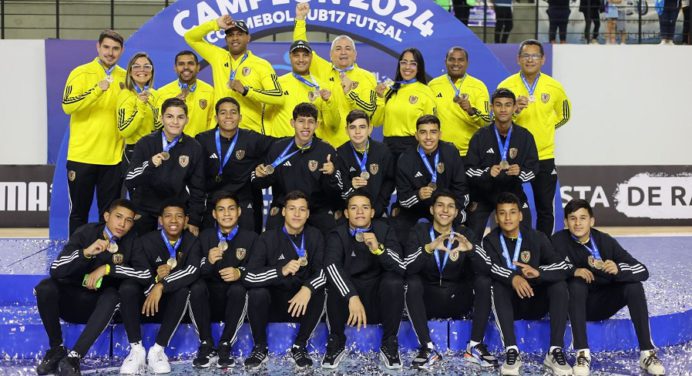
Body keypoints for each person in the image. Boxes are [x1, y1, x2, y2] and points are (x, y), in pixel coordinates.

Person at [551, 199, 666, 376]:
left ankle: (647, 353)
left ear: (592, 221)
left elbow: (642, 270)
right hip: (572, 305)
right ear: (566, 222)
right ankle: (582, 354)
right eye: (572, 218)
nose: (578, 223)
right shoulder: (557, 241)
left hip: (601, 304)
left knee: (634, 287)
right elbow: (545, 269)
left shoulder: (604, 241)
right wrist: (573, 270)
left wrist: (619, 269)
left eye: (583, 218)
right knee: (576, 284)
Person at [35, 199, 145, 376]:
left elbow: (145, 274)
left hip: (102, 308)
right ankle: (56, 349)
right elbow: (56, 269)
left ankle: (74, 357)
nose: (122, 224)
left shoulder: (133, 240)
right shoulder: (86, 232)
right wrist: (85, 253)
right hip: (72, 300)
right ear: (106, 216)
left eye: (129, 220)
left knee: (113, 295)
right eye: (118, 217)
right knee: (45, 287)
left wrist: (108, 269)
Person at [477, 192, 572, 376]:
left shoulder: (537, 237)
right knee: (496, 284)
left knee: (559, 285)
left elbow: (563, 266)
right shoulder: (490, 241)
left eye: (512, 212)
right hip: (509, 304)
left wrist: (539, 273)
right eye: (502, 213)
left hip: (536, 302)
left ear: (520, 215)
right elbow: (490, 268)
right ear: (496, 217)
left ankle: (555, 351)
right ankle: (511, 350)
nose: (507, 217)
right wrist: (514, 277)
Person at [404, 191, 496, 371]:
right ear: (431, 209)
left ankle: (475, 345)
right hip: (428, 300)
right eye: (440, 205)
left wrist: (470, 249)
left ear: (456, 213)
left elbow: (487, 267)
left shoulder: (465, 233)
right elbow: (406, 267)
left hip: (458, 300)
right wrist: (428, 248)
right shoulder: (419, 232)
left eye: (450, 206)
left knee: (483, 280)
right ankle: (427, 348)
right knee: (412, 281)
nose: (445, 210)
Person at [241, 191, 326, 369]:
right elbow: (249, 276)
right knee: (257, 293)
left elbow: (323, 272)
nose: (297, 214)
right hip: (273, 304)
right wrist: (281, 270)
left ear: (308, 214)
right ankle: (260, 347)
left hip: (301, 304)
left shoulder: (316, 236)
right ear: (283, 212)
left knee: (320, 291)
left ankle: (299, 346)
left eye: (302, 209)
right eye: (292, 209)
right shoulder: (267, 238)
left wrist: (307, 289)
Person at [322, 190, 406, 370]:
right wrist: (351, 296)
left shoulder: (384, 230)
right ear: (346, 213)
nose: (360, 211)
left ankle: (389, 342)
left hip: (377, 302)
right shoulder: (337, 234)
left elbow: (401, 266)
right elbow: (331, 266)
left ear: (372, 212)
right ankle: (336, 340)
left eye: (365, 207)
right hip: (349, 306)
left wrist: (379, 249)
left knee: (394, 281)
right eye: (354, 207)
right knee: (335, 282)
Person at [117, 201, 202, 374]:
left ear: (186, 221)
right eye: (168, 215)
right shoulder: (145, 241)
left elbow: (192, 271)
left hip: (172, 302)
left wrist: (162, 286)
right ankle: (136, 351)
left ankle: (158, 351)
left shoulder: (192, 241)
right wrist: (155, 282)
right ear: (160, 220)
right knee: (127, 287)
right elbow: (142, 274)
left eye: (179, 216)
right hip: (145, 302)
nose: (174, 220)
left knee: (184, 290)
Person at [497, 40, 571, 236]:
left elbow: (564, 115)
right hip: (513, 155)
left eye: (535, 56)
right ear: (518, 59)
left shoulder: (554, 87)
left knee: (545, 208)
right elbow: (497, 117)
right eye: (526, 56)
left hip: (543, 155)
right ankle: (513, 245)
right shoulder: (506, 86)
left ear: (543, 59)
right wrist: (514, 111)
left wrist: (546, 128)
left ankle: (545, 248)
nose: (530, 60)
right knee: (510, 205)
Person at [62, 30, 126, 235]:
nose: (110, 52)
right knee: (79, 213)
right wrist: (97, 90)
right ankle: (76, 256)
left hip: (113, 158)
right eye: (106, 47)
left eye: (115, 48)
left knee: (109, 214)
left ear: (121, 51)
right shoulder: (81, 73)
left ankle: (106, 255)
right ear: (98, 47)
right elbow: (67, 106)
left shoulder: (125, 77)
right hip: (82, 157)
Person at [189, 192, 259, 368]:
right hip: (209, 299)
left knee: (239, 289)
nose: (226, 214)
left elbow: (256, 268)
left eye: (231, 209)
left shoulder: (251, 237)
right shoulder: (204, 236)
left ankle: (225, 344)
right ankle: (206, 344)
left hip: (234, 299)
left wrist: (239, 272)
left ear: (239, 212)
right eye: (221, 209)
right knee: (196, 287)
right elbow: (193, 269)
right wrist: (208, 262)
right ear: (214, 214)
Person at [293, 2, 378, 147]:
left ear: (355, 54)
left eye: (347, 48)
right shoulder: (323, 69)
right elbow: (302, 46)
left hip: (355, 146)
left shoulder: (367, 77)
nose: (343, 52)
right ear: (331, 55)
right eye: (338, 49)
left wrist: (350, 93)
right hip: (324, 144)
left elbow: (369, 112)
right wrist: (300, 19)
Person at [251, 102, 343, 235]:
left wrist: (331, 175)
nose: (306, 126)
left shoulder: (326, 151)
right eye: (301, 121)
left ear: (317, 125)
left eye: (311, 122)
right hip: (285, 209)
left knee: (330, 235)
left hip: (315, 210)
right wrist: (259, 176)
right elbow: (262, 183)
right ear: (292, 123)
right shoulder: (278, 148)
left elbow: (336, 192)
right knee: (270, 238)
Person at [184, 16, 283, 134]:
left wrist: (247, 91)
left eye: (239, 34)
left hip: (248, 133)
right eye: (230, 35)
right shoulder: (218, 57)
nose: (235, 38)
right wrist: (215, 24)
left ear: (248, 38)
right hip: (219, 132)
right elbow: (190, 37)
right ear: (226, 39)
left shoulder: (261, 64)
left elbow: (279, 97)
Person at [465, 88, 538, 239]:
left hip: (514, 194)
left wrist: (520, 173)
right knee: (472, 236)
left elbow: (533, 169)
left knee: (525, 235)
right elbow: (468, 170)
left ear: (514, 108)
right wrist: (487, 173)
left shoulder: (525, 136)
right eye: (498, 105)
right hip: (483, 195)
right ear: (492, 108)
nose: (503, 109)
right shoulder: (480, 136)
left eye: (507, 105)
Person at [124, 98, 205, 236]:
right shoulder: (146, 143)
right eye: (169, 116)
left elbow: (198, 188)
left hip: (176, 210)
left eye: (180, 117)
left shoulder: (194, 147)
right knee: (141, 251)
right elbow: (130, 179)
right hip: (146, 208)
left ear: (187, 120)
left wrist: (194, 220)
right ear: (161, 118)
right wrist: (149, 164)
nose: (175, 122)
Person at [195, 97, 275, 232]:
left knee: (248, 245)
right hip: (213, 202)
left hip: (243, 202)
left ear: (240, 117)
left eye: (233, 112)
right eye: (223, 112)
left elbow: (280, 145)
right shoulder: (203, 140)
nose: (228, 116)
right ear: (216, 117)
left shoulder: (251, 138)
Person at [394, 115, 469, 244]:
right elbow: (403, 199)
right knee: (400, 227)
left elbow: (461, 188)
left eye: (433, 132)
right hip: (416, 208)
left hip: (444, 207)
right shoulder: (405, 159)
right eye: (423, 132)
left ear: (440, 134)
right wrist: (417, 195)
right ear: (416, 135)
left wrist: (453, 208)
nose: (428, 137)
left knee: (461, 222)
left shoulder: (451, 152)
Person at [265, 40, 340, 140]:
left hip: (311, 150)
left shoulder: (322, 86)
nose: (301, 59)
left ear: (311, 57)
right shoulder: (277, 84)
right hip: (282, 149)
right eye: (296, 55)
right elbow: (265, 118)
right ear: (290, 56)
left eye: (305, 55)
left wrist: (329, 102)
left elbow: (333, 126)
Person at [372, 48, 437, 161]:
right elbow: (377, 121)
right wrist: (379, 98)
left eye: (413, 64)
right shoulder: (390, 88)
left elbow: (431, 127)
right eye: (404, 62)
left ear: (419, 67)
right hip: (388, 147)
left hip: (413, 147)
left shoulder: (426, 91)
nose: (407, 67)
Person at [428, 47, 490, 158]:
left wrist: (471, 111)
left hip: (470, 153)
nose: (456, 63)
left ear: (467, 63)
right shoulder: (433, 85)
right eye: (452, 59)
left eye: (460, 60)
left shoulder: (478, 86)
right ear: (445, 61)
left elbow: (486, 122)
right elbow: (427, 119)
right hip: (440, 152)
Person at [335, 109, 395, 219]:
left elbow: (389, 180)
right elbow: (339, 187)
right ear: (346, 130)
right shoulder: (340, 153)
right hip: (350, 213)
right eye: (352, 127)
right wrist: (350, 185)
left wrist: (378, 207)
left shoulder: (383, 151)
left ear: (370, 129)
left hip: (377, 210)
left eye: (362, 127)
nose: (357, 132)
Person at [116, 52, 161, 172]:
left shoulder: (154, 94)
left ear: (151, 72)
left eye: (147, 66)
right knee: (138, 191)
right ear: (130, 72)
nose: (142, 70)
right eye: (136, 66)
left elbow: (158, 126)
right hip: (134, 152)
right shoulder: (125, 95)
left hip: (154, 151)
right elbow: (124, 130)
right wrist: (141, 105)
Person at [157, 50, 215, 137]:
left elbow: (212, 122)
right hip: (172, 146)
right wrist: (172, 104)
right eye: (181, 64)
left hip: (200, 146)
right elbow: (157, 125)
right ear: (175, 68)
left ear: (198, 67)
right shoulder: (162, 93)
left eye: (190, 63)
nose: (186, 67)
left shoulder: (209, 91)